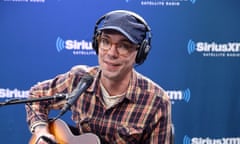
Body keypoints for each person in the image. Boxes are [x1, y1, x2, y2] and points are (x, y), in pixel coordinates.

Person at [25, 10, 173, 144]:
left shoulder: (156, 101)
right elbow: (36, 96)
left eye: (124, 46)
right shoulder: (79, 79)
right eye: (106, 41)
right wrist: (41, 132)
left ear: (140, 53)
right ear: (96, 44)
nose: (111, 53)